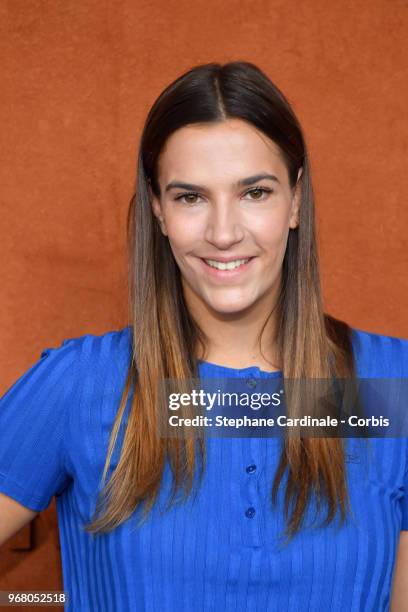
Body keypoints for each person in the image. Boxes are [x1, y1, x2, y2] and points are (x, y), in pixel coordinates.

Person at [0, 61, 407, 611]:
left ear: (296, 199)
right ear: (157, 208)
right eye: (190, 197)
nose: (223, 233)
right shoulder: (81, 383)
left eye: (254, 193)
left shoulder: (392, 389)